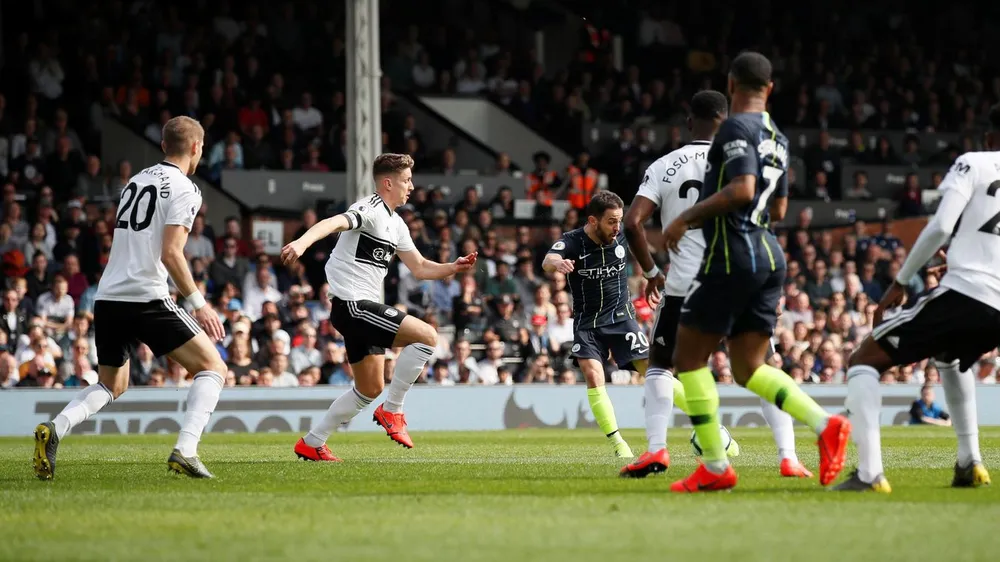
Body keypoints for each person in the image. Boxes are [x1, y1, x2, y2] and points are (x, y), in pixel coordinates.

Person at [661, 52, 851, 492]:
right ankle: (826, 425)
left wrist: (685, 219)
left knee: (687, 358)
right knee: (748, 367)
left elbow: (743, 189)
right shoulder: (777, 136)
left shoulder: (734, 127)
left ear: (731, 84)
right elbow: (780, 206)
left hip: (733, 253)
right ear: (771, 88)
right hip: (769, 254)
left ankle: (714, 465)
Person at [621, 90, 810, 479]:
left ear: (690, 122)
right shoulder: (741, 159)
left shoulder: (664, 165)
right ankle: (789, 457)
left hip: (683, 280)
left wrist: (652, 271)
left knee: (661, 366)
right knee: (761, 365)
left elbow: (631, 222)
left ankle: (657, 451)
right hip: (737, 272)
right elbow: (771, 211)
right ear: (725, 121)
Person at [33, 116, 228, 480]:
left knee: (112, 383)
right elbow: (172, 253)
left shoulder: (135, 181)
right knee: (213, 367)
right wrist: (200, 304)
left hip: (107, 297)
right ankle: (185, 450)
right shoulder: (186, 189)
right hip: (145, 296)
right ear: (198, 148)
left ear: (163, 146)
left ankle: (56, 428)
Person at [834, 106, 1000, 492]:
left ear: (990, 137)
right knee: (949, 356)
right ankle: (969, 462)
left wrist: (903, 279)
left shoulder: (973, 162)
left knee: (862, 361)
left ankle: (869, 474)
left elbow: (940, 225)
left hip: (969, 292)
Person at [281, 153, 476, 461]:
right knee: (426, 336)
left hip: (362, 309)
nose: (411, 186)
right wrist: (303, 243)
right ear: (388, 183)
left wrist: (453, 266)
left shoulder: (396, 224)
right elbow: (334, 222)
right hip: (353, 305)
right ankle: (393, 410)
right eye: (406, 180)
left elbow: (421, 267)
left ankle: (313, 441)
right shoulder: (368, 209)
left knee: (369, 388)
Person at [541, 191, 646, 458]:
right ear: (593, 220)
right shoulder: (573, 242)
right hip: (587, 323)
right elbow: (547, 260)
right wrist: (558, 263)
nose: (617, 227)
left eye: (619, 220)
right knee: (592, 375)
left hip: (621, 317)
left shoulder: (622, 235)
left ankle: (708, 427)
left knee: (654, 370)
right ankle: (618, 444)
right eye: (611, 221)